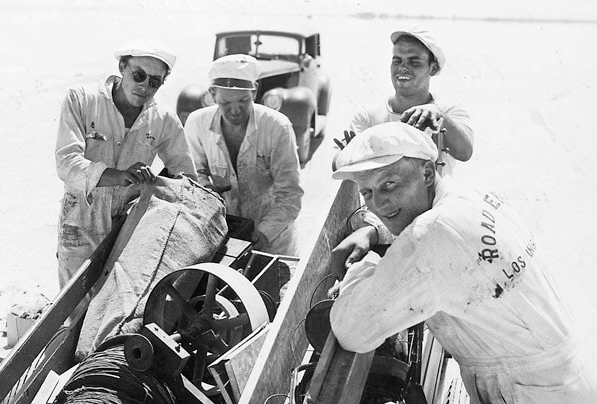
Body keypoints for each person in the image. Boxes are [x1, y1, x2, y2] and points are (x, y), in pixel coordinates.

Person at [330, 122, 597, 404]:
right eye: (367, 193)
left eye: (390, 185)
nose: (378, 202)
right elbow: (418, 230)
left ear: (427, 172)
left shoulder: (431, 236)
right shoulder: (473, 197)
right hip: (572, 388)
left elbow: (351, 329)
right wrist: (376, 230)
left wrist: (363, 269)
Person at [331, 28, 475, 281]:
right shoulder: (369, 116)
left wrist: (439, 117)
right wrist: (348, 154)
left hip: (433, 226)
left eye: (414, 61)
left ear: (432, 68)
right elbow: (340, 167)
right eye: (397, 60)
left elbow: (465, 151)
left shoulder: (447, 112)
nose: (402, 68)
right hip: (384, 222)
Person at [55, 39, 196, 287]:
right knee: (73, 300)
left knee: (117, 298)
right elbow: (66, 163)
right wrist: (118, 176)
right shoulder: (83, 99)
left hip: (129, 226)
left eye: (154, 82)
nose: (144, 87)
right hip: (80, 220)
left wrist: (158, 188)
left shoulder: (164, 120)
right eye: (138, 75)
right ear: (122, 67)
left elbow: (186, 177)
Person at [184, 54, 303, 256]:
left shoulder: (277, 126)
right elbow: (194, 176)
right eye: (226, 103)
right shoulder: (197, 123)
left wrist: (263, 233)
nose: (235, 111)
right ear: (212, 94)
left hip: (274, 240)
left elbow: (290, 194)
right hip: (224, 235)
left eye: (243, 101)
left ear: (254, 91)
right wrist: (206, 191)